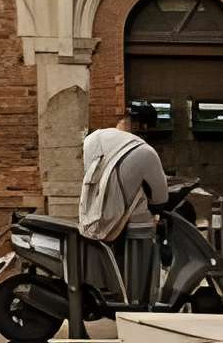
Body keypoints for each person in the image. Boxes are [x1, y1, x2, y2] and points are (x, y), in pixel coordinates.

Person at [78, 104, 171, 304]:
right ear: (143, 126)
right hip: (133, 227)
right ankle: (135, 301)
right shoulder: (145, 152)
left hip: (91, 219)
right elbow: (161, 196)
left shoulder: (93, 140)